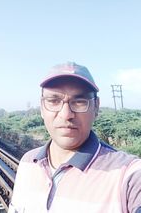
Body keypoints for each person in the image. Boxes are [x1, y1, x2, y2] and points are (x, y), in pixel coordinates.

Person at [8, 61, 141, 213]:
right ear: (42, 108)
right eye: (53, 101)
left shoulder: (128, 175)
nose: (66, 114)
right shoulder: (28, 162)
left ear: (96, 107)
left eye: (79, 102)